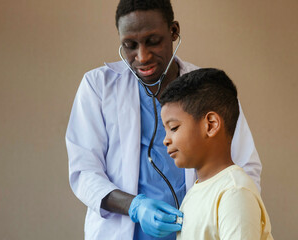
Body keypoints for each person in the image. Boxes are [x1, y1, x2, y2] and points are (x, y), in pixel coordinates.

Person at [66, 0, 262, 239]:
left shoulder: (209, 90)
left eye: (153, 41)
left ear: (173, 31)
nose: (142, 56)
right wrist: (136, 207)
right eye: (130, 45)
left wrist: (229, 214)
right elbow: (84, 172)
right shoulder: (99, 87)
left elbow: (244, 167)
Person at [160, 68, 273, 240]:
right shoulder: (195, 192)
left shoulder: (234, 192)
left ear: (211, 125)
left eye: (174, 128)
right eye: (166, 130)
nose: (166, 140)